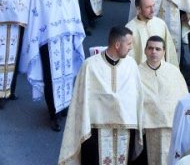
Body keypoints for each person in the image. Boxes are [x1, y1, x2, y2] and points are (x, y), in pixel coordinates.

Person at [58, 26, 141, 165]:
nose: (131, 48)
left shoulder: (131, 65)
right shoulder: (90, 65)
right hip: (96, 130)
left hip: (126, 129)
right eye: (129, 44)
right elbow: (81, 99)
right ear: (117, 44)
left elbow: (137, 96)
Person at [21, 0, 86, 131]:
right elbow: (35, 19)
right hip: (48, 43)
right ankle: (53, 114)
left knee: (68, 74)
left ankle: (64, 106)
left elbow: (74, 10)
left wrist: (75, 32)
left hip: (66, 39)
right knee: (51, 79)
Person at [136, 35, 189, 165]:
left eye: (158, 49)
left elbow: (183, 97)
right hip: (148, 129)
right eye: (150, 48)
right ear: (145, 51)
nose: (154, 52)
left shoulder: (173, 72)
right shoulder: (136, 72)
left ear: (164, 51)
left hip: (170, 126)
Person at [127, 0, 172, 68]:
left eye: (153, 5)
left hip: (161, 71)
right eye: (148, 7)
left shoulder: (160, 24)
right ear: (139, 9)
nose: (152, 10)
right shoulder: (130, 29)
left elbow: (169, 51)